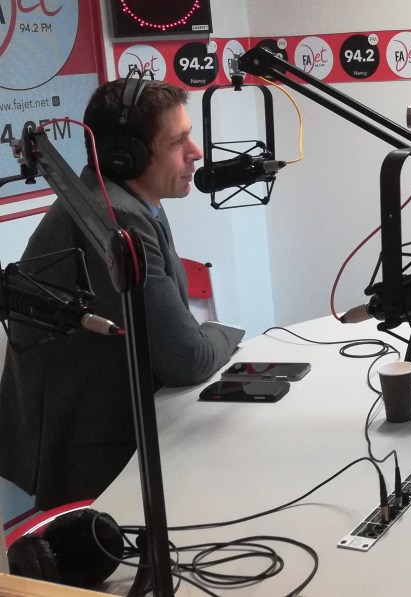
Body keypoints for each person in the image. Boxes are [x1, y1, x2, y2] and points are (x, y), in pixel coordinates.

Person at [0, 75, 245, 510]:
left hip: (111, 426)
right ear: (125, 155)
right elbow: (186, 358)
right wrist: (228, 332)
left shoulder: (125, 204)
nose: (196, 152)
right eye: (177, 142)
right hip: (92, 456)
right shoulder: (117, 220)